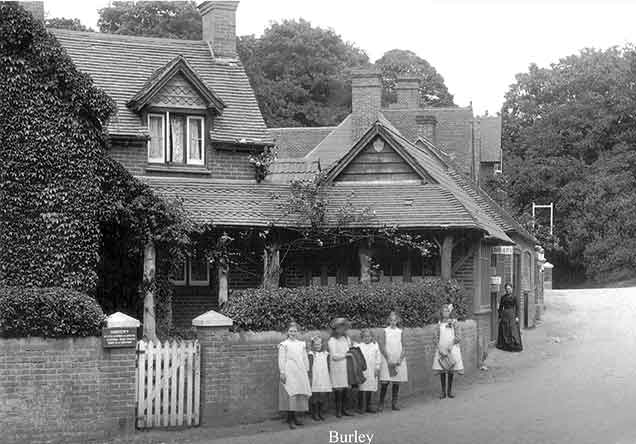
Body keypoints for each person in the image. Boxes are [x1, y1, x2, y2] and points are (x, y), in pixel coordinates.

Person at [278, 321, 311, 429]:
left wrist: (306, 370)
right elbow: (281, 359)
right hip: (289, 371)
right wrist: (282, 372)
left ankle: (295, 417)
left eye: (295, 331)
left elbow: (304, 357)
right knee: (291, 394)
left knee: (298, 393)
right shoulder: (284, 344)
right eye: (291, 331)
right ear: (287, 332)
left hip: (300, 371)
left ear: (298, 332)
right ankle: (290, 419)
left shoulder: (301, 344)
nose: (293, 333)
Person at [432, 303, 464, 399]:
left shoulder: (454, 323)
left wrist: (452, 344)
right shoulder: (439, 324)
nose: (445, 312)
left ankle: (449, 391)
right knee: (442, 370)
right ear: (441, 313)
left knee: (450, 369)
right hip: (441, 349)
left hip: (452, 348)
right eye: (444, 311)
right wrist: (439, 347)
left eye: (447, 311)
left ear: (450, 312)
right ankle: (443, 392)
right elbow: (435, 338)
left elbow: (458, 336)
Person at [378, 311, 408, 411]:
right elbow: (382, 346)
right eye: (391, 320)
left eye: (395, 320)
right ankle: (381, 403)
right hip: (388, 359)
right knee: (385, 382)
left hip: (398, 358)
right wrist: (388, 359)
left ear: (397, 320)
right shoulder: (384, 331)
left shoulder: (400, 331)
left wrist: (400, 359)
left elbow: (404, 346)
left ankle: (394, 403)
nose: (393, 322)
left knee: (396, 382)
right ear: (388, 320)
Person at [328, 317, 353, 417]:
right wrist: (345, 355)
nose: (342, 330)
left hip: (346, 367)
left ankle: (344, 409)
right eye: (340, 328)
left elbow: (350, 349)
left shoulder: (346, 338)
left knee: (346, 389)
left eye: (344, 328)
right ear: (335, 329)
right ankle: (338, 410)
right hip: (337, 367)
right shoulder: (332, 340)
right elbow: (334, 356)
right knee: (339, 390)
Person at [355, 329, 381, 413]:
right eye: (365, 336)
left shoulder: (375, 346)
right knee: (362, 388)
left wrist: (377, 368)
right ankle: (360, 407)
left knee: (370, 388)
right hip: (362, 371)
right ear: (362, 338)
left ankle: (368, 406)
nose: (367, 338)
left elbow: (378, 358)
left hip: (372, 369)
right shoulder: (359, 346)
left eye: (368, 336)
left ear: (371, 337)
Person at [308, 336, 331, 421]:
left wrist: (328, 375)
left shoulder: (325, 353)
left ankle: (321, 412)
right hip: (315, 376)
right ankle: (315, 413)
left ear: (322, 344)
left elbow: (328, 365)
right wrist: (310, 377)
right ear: (313, 345)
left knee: (322, 395)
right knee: (315, 396)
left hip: (324, 376)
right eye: (316, 345)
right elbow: (309, 367)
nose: (318, 346)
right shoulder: (311, 354)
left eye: (319, 344)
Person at [496, 283, 523, 352]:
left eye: (509, 288)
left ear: (512, 289)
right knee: (505, 329)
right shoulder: (503, 297)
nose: (508, 290)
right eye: (507, 289)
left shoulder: (514, 297)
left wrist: (517, 316)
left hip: (512, 314)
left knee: (512, 329)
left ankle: (514, 345)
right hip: (505, 314)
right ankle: (506, 345)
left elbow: (517, 307)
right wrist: (500, 316)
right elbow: (501, 307)